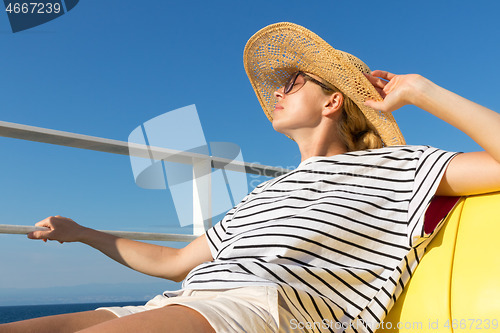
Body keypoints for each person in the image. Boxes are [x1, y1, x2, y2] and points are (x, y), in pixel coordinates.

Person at [1, 22, 499, 333]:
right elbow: (174, 262)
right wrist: (82, 233)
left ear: (333, 101)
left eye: (293, 82)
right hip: (184, 302)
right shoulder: (266, 194)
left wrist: (420, 90)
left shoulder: (398, 167)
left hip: (265, 313)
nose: (278, 93)